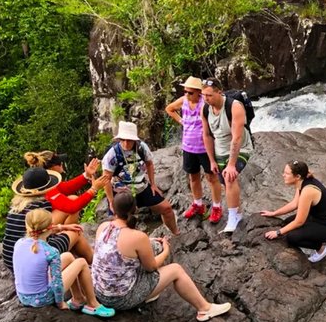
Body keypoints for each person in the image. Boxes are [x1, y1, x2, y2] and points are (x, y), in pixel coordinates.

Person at [91, 192, 231, 321]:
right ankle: (204, 309)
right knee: (176, 269)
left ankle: (149, 292)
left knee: (153, 247)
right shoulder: (138, 237)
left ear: (112, 207)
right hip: (120, 299)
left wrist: (149, 243)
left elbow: (117, 251)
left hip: (99, 293)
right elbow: (151, 267)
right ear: (135, 209)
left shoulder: (103, 226)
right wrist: (166, 251)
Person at [12, 209, 115, 317]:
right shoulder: (51, 252)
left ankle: (78, 298)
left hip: (23, 296)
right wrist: (60, 303)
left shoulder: (19, 243)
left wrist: (62, 227)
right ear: (49, 228)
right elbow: (57, 284)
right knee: (82, 262)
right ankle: (93, 304)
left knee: (68, 256)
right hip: (42, 298)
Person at [2, 166, 93, 270]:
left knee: (68, 231)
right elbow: (71, 207)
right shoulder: (42, 204)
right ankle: (95, 261)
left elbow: (37, 230)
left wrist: (62, 227)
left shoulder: (15, 205)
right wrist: (93, 189)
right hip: (35, 257)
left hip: (11, 259)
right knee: (75, 233)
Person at [102, 121, 179, 235]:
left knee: (166, 208)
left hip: (141, 186)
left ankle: (175, 233)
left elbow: (149, 164)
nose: (126, 143)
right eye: (123, 140)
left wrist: (153, 184)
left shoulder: (142, 147)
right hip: (121, 193)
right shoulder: (112, 154)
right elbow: (106, 179)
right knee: (119, 223)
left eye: (129, 140)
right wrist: (111, 201)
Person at [165, 76, 223, 224]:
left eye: (190, 92)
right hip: (188, 146)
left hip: (205, 147)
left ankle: (217, 207)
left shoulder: (205, 103)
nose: (187, 94)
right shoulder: (184, 100)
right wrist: (181, 121)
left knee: (212, 178)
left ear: (199, 92)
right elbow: (169, 109)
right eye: (185, 91)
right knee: (193, 177)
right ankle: (198, 204)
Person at [262, 160, 326, 263]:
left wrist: (277, 233)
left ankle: (321, 249)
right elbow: (294, 204)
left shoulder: (308, 191)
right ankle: (314, 236)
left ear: (297, 176)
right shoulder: (301, 182)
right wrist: (274, 213)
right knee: (287, 222)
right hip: (317, 217)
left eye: (287, 173)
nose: (283, 175)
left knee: (292, 237)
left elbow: (299, 221)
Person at [201, 79, 253, 234]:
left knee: (229, 177)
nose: (206, 98)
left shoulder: (234, 107)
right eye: (203, 95)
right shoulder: (205, 108)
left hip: (241, 148)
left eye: (209, 95)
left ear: (219, 92)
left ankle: (233, 217)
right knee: (224, 181)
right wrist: (211, 160)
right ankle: (238, 211)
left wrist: (231, 164)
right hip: (219, 149)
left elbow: (237, 138)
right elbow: (207, 135)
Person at [24, 151, 111, 225]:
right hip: (39, 227)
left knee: (72, 198)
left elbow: (66, 188)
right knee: (73, 200)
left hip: (37, 223)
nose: (62, 164)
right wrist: (93, 189)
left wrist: (86, 175)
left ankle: (66, 233)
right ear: (52, 168)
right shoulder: (47, 189)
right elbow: (72, 207)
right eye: (59, 162)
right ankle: (67, 235)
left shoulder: (41, 183)